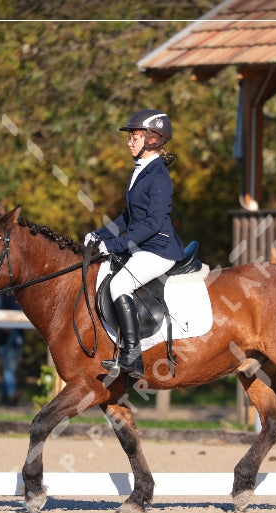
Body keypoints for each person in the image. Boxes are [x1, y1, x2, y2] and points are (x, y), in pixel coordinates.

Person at [84, 109, 184, 379]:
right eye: (130, 137)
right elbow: (129, 217)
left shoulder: (159, 176)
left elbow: (152, 224)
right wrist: (100, 234)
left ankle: (132, 356)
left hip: (160, 249)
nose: (130, 141)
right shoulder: (141, 171)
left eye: (135, 136)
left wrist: (115, 245)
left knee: (120, 284)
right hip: (145, 245)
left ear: (153, 139)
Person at [0, 292, 25, 406]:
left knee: (8, 368)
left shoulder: (19, 296)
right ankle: (12, 394)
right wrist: (4, 327)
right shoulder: (2, 297)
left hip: (17, 337)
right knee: (9, 368)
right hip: (6, 337)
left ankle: (4, 397)